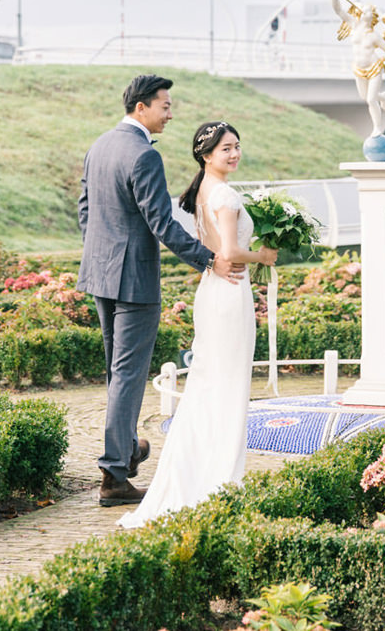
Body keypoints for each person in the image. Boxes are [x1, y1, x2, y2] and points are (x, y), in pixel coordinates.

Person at [78, 75, 243, 507]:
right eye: (165, 106)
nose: (171, 114)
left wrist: (101, 253)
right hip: (133, 280)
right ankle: (114, 475)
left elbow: (86, 210)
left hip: (100, 275)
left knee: (119, 372)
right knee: (129, 373)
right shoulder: (144, 156)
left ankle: (126, 449)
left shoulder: (99, 145)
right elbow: (162, 223)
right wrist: (208, 259)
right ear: (141, 108)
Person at [118, 120, 276, 528]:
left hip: (212, 289)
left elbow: (213, 250)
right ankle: (219, 478)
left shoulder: (203, 189)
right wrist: (264, 255)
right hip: (228, 290)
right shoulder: (222, 192)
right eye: (226, 148)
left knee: (208, 383)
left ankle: (202, 470)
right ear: (206, 155)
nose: (235, 153)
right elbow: (229, 251)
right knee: (227, 384)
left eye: (237, 146)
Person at [329, 0, 385, 137]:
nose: (364, 11)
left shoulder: (374, 36)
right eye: (363, 10)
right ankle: (382, 97)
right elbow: (339, 11)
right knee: (365, 98)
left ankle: (377, 127)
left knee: (371, 100)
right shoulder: (353, 25)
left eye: (367, 10)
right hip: (358, 69)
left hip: (374, 68)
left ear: (372, 17)